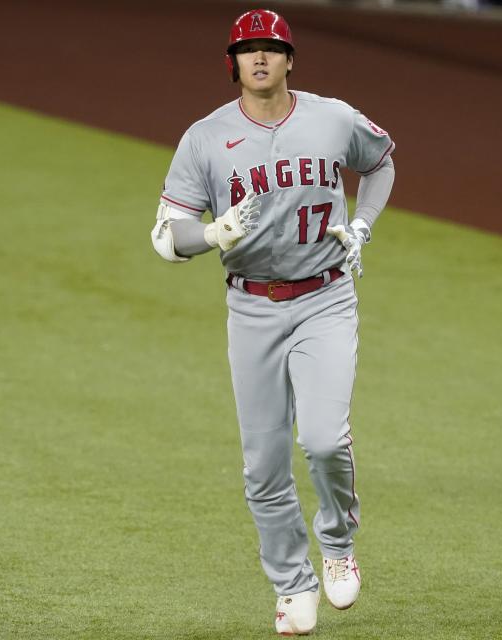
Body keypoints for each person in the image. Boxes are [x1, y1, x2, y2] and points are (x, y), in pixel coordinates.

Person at [150, 8, 396, 636]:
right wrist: (210, 233)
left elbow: (381, 161)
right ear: (232, 63)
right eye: (247, 50)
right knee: (263, 464)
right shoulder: (204, 138)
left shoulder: (333, 117)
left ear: (290, 59)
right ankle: (292, 584)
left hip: (325, 298)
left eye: (271, 48)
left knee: (322, 439)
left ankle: (338, 543)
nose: (259, 58)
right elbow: (164, 235)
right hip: (252, 305)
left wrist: (362, 225)